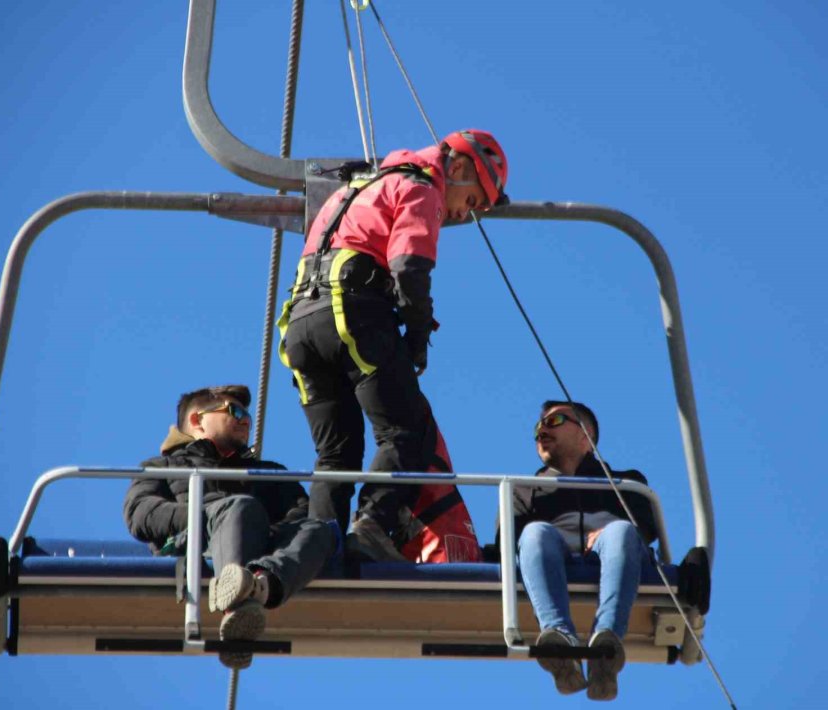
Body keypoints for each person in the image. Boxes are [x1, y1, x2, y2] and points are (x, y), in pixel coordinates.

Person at [278, 129, 508, 561]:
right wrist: (418, 337)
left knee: (335, 454)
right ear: (456, 167)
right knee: (408, 428)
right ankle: (372, 529)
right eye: (473, 201)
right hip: (353, 313)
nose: (464, 215)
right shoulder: (421, 187)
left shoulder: (356, 187)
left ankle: (319, 549)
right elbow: (409, 266)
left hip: (300, 327)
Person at [123, 384, 334, 669]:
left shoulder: (266, 473)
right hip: (197, 545)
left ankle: (258, 586)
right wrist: (208, 515)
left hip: (264, 551)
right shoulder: (162, 467)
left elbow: (298, 514)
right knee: (239, 507)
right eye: (234, 411)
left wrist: (258, 531)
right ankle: (236, 603)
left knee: (320, 530)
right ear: (198, 420)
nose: (246, 420)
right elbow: (140, 513)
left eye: (248, 414)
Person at [504, 400, 658, 701]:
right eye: (538, 426)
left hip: (612, 546)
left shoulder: (625, 483)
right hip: (552, 549)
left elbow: (645, 527)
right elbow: (505, 542)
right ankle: (559, 639)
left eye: (555, 421)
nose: (541, 430)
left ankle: (606, 641)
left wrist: (608, 528)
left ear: (585, 435)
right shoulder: (523, 488)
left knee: (621, 530)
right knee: (535, 532)